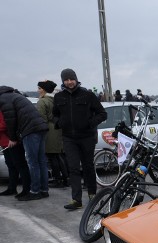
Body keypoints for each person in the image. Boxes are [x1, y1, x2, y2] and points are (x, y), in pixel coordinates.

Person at [53, 68, 107, 210]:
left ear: (76, 79)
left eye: (72, 79)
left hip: (86, 137)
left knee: (88, 167)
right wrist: (59, 123)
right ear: (63, 81)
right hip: (69, 138)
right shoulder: (58, 97)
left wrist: (90, 123)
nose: (70, 82)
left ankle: (92, 195)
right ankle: (76, 200)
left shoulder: (88, 95)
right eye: (66, 79)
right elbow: (54, 115)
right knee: (73, 168)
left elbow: (103, 114)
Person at [0, 86, 49, 201]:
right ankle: (43, 190)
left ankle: (34, 191)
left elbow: (10, 120)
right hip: (39, 127)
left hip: (30, 130)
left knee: (33, 162)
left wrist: (12, 138)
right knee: (41, 161)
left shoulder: (4, 100)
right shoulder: (13, 96)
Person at [36, 80, 68, 188]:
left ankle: (57, 179)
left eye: (39, 88)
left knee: (52, 156)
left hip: (49, 131)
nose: (38, 90)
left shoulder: (42, 101)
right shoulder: (54, 99)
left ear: (44, 89)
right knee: (59, 155)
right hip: (58, 129)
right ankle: (65, 178)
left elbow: (41, 119)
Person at [0, 107, 31, 198]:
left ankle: (26, 190)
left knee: (20, 165)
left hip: (12, 141)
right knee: (11, 165)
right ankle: (12, 188)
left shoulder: (3, 109)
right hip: (5, 142)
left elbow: (5, 125)